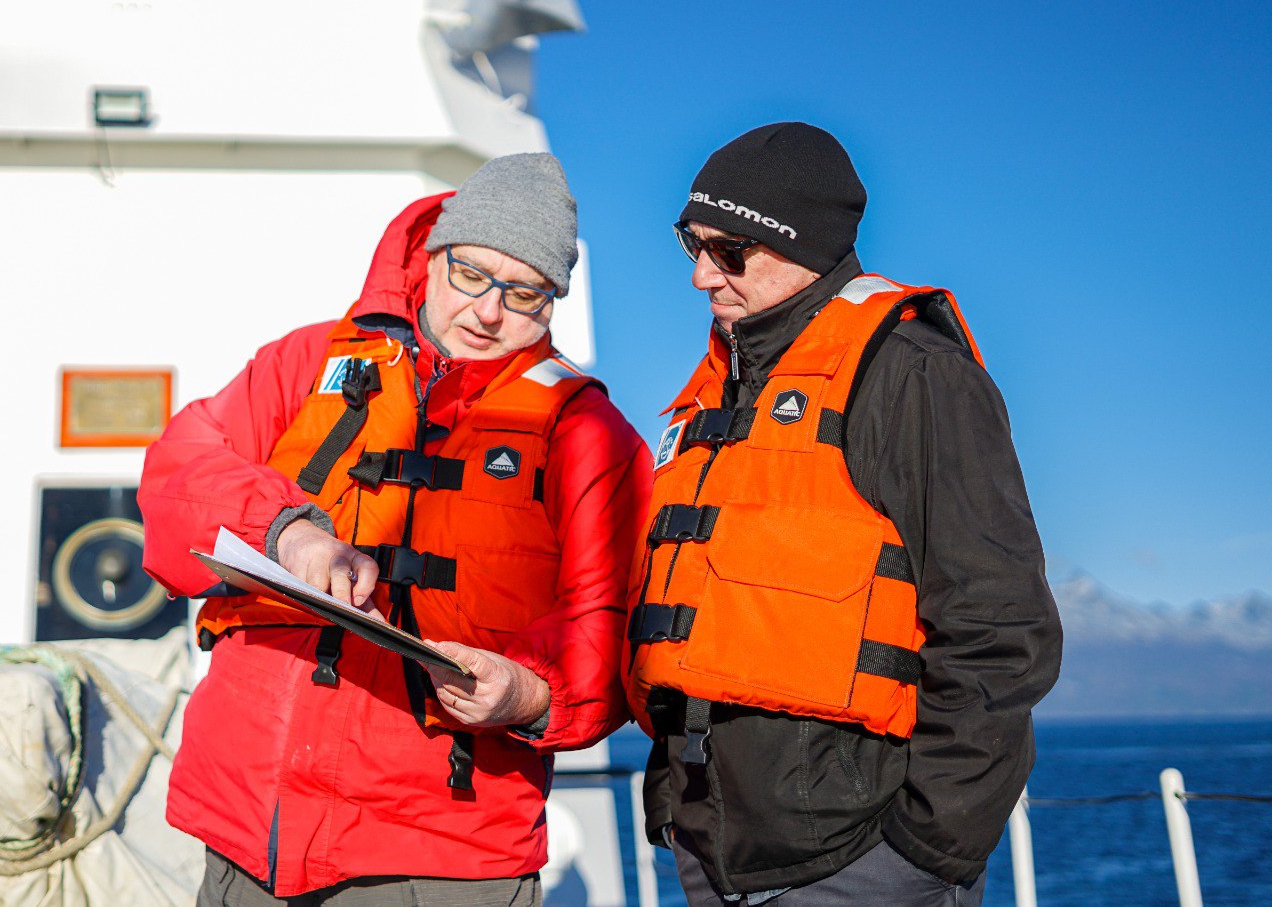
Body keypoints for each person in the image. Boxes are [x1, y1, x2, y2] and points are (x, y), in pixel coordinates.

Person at [139, 153, 652, 905]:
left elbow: (618, 621)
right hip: (248, 833)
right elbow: (180, 470)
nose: (489, 312)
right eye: (471, 275)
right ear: (433, 258)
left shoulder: (587, 434)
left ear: (553, 303)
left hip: (443, 854)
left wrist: (531, 692)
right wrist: (289, 534)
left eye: (524, 293)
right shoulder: (307, 360)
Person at [625, 122, 1061, 905]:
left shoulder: (912, 375)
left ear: (806, 246)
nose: (700, 275)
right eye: (692, 244)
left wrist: (928, 848)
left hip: (858, 863)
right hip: (710, 852)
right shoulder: (721, 391)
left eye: (730, 251)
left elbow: (1001, 628)